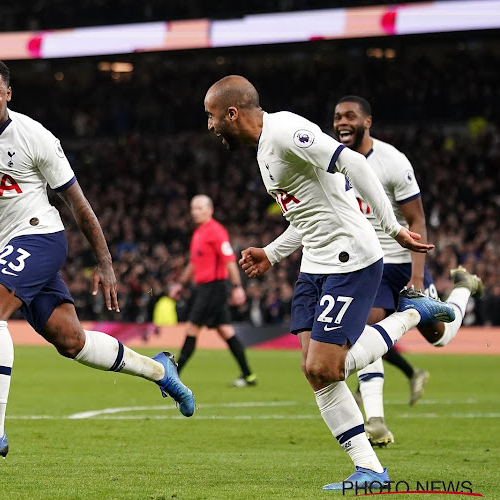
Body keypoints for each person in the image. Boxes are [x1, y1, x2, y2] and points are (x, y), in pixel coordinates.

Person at [0, 58, 194, 463]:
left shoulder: (35, 135)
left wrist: (105, 261)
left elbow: (77, 202)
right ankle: (160, 370)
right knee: (72, 340)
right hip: (5, 247)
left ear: (7, 94)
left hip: (42, 235)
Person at [203, 75, 455, 490]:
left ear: (232, 113)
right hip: (315, 265)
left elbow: (353, 163)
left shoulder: (284, 130)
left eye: (212, 117)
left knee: (325, 365)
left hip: (351, 259)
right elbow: (307, 217)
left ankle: (412, 313)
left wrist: (391, 227)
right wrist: (272, 252)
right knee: (315, 371)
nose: (210, 126)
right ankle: (371, 471)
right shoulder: (264, 150)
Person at [333, 96, 484, 445]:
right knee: (366, 329)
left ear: (367, 121)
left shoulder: (392, 162)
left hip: (403, 263)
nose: (342, 122)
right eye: (338, 116)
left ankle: (462, 287)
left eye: (350, 116)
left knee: (439, 337)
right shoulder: (334, 161)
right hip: (368, 264)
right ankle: (376, 422)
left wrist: (417, 277)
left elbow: (416, 219)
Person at [170, 194, 256, 387]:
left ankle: (173, 374)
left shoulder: (216, 231)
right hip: (205, 288)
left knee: (192, 328)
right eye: (193, 208)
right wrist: (181, 284)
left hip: (214, 287)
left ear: (210, 210)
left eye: (200, 208)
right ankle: (248, 375)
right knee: (225, 330)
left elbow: (229, 260)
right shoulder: (198, 233)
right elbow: (194, 263)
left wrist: (236, 287)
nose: (195, 212)